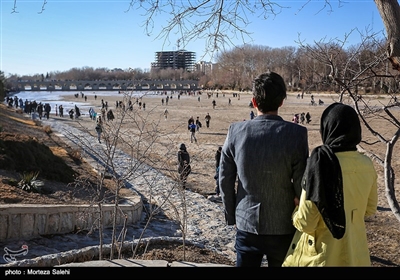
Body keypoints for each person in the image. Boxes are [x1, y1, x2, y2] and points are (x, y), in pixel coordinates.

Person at [219, 71, 309, 267]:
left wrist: (231, 214)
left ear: (254, 101)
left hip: (246, 221)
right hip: (284, 223)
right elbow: (302, 182)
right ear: (282, 102)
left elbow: (224, 179)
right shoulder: (297, 134)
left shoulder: (236, 131)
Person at [282, 103, 378, 267]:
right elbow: (369, 209)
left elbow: (306, 222)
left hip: (322, 257)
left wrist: (296, 210)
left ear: (327, 129)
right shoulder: (367, 164)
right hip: (357, 255)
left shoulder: (321, 163)